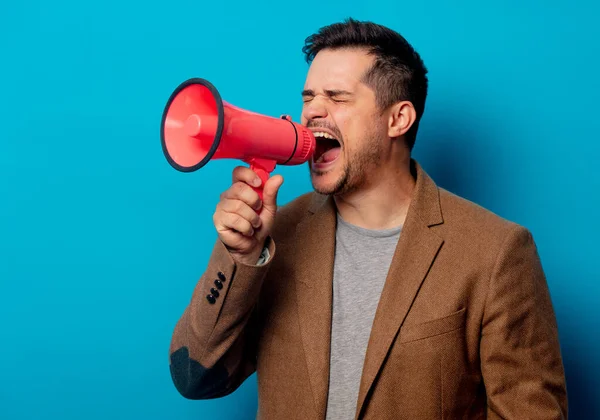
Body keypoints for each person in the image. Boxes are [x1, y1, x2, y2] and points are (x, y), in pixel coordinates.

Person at [168, 18, 568, 419]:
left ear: (398, 119)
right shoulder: (276, 236)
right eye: (308, 98)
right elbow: (195, 377)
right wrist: (239, 257)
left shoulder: (496, 252)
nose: (312, 113)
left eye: (337, 97)